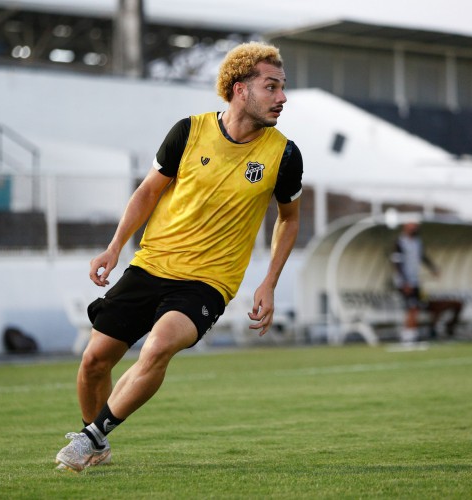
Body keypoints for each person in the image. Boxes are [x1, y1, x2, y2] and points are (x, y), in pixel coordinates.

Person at [54, 41, 303, 472]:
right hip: (151, 264)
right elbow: (148, 191)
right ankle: (94, 441)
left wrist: (268, 282)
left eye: (282, 87)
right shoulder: (188, 131)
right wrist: (115, 248)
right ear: (240, 89)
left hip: (208, 281)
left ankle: (91, 438)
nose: (282, 97)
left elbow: (289, 219)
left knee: (158, 346)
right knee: (94, 361)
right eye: (272, 86)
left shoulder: (284, 155)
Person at [390, 221, 439, 344]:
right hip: (404, 282)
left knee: (416, 307)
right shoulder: (399, 242)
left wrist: (433, 268)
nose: (414, 229)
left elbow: (422, 256)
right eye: (412, 226)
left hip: (415, 281)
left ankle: (412, 333)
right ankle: (408, 336)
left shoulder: (418, 242)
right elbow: (397, 263)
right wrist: (405, 282)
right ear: (406, 227)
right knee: (411, 307)